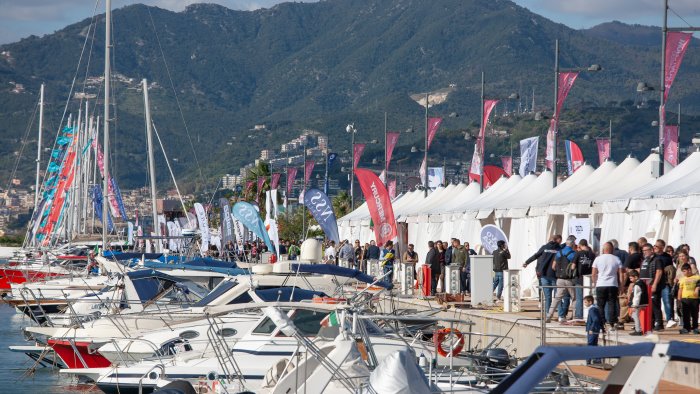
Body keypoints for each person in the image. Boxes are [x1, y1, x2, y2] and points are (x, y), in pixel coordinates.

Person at [523, 235, 562, 314]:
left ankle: (548, 314)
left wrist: (526, 262)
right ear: (558, 240)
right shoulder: (559, 249)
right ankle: (560, 315)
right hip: (555, 275)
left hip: (544, 274)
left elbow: (536, 255)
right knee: (558, 296)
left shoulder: (544, 247)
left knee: (547, 297)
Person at [592, 242, 624, 329]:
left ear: (603, 249)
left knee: (600, 305)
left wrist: (594, 283)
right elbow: (621, 274)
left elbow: (594, 273)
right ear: (612, 249)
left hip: (601, 284)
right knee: (612, 303)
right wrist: (621, 285)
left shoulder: (598, 259)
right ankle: (612, 322)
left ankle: (602, 322)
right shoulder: (616, 259)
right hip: (613, 284)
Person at [547, 238, 577, 322]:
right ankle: (575, 316)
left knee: (557, 298)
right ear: (572, 244)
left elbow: (553, 266)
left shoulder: (559, 253)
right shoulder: (573, 253)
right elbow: (573, 266)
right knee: (574, 298)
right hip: (569, 279)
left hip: (559, 278)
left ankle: (549, 315)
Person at [572, 239, 595, 320]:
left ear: (580, 245)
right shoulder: (592, 254)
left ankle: (579, 316)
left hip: (579, 278)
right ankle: (589, 315)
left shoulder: (578, 253)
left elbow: (573, 266)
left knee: (579, 298)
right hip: (589, 278)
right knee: (589, 297)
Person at [677, 263, 700, 334]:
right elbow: (680, 289)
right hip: (685, 299)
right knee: (685, 315)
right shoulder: (682, 279)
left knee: (695, 314)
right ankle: (686, 328)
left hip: (695, 299)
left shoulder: (697, 277)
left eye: (684, 271)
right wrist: (679, 298)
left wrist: (697, 288)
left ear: (689, 270)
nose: (683, 273)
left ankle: (695, 328)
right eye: (683, 271)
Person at [627, 270, 648, 336]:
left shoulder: (637, 285)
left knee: (635, 316)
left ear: (636, 277)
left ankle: (638, 330)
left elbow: (637, 296)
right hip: (643, 302)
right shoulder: (642, 283)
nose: (630, 280)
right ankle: (638, 329)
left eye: (631, 278)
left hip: (638, 304)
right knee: (636, 316)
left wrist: (634, 305)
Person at [585, 295, 604, 364]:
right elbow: (600, 319)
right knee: (594, 344)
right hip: (596, 329)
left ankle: (588, 359)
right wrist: (602, 328)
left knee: (590, 344)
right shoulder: (596, 308)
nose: (585, 304)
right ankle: (597, 359)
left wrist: (591, 329)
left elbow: (595, 319)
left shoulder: (592, 309)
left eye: (585, 302)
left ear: (590, 302)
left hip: (592, 330)